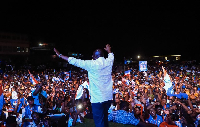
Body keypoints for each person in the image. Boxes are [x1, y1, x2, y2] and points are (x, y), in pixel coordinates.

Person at [54, 44, 114, 127]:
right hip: (108, 98)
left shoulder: (92, 64)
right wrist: (109, 50)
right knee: (104, 118)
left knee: (99, 122)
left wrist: (60, 55)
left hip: (98, 99)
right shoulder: (108, 62)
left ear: (94, 56)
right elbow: (111, 56)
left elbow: (75, 61)